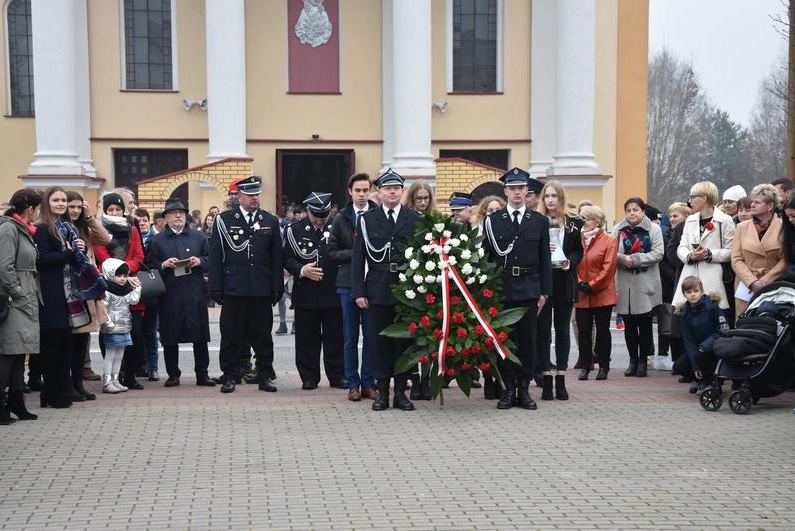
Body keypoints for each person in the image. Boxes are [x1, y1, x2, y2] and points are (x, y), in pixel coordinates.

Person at [482, 167, 552, 410]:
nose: (517, 192)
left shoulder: (539, 221)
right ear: (505, 191)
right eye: (512, 188)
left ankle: (524, 388)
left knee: (528, 340)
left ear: (527, 190)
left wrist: (545, 292)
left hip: (529, 287)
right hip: (502, 288)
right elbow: (487, 258)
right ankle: (508, 388)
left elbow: (544, 259)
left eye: (521, 188)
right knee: (504, 340)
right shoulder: (493, 221)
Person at [352, 169, 422, 411]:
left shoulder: (414, 218)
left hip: (406, 290)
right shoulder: (367, 219)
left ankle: (401, 392)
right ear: (379, 192)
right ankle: (382, 391)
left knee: (404, 342)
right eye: (387, 188)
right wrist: (359, 291)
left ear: (402, 191)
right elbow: (358, 258)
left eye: (396, 188)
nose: (392, 192)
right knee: (378, 342)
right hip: (377, 287)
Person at [209, 176, 282, 394]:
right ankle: (230, 375)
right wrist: (216, 287)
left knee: (263, 336)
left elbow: (276, 258)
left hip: (261, 288)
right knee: (231, 335)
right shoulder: (224, 220)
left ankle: (264, 375)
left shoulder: (269, 220)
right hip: (234, 288)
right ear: (239, 196)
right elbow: (216, 256)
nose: (255, 198)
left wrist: (277, 287)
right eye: (250, 195)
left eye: (257, 194)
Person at [146, 198, 215, 387]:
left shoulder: (199, 237)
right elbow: (148, 267)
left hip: (195, 291)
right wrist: (163, 264)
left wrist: (200, 261)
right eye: (174, 213)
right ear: (166, 217)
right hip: (170, 292)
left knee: (200, 334)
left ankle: (202, 374)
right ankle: (173, 374)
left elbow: (211, 259)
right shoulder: (156, 241)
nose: (178, 216)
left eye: (181, 213)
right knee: (170, 334)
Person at [282, 192, 344, 390]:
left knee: (335, 337)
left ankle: (337, 376)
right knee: (306, 337)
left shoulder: (339, 225)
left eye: (324, 216)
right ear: (308, 211)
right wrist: (302, 270)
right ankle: (308, 377)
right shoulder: (294, 230)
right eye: (316, 216)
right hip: (306, 292)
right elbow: (285, 257)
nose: (319, 221)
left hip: (333, 291)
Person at [327, 173, 379, 402]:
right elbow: (331, 252)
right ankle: (352, 384)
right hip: (347, 283)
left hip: (373, 283)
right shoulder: (341, 218)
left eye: (365, 190)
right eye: (357, 190)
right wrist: (357, 253)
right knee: (350, 337)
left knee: (371, 337)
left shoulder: (377, 214)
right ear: (350, 191)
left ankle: (368, 382)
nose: (362, 194)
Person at [94, 192, 146, 391]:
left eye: (118, 209)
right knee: (108, 334)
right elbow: (102, 256)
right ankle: (112, 377)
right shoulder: (99, 229)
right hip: (109, 287)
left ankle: (130, 375)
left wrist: (125, 273)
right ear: (105, 210)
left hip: (130, 283)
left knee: (135, 334)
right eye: (111, 209)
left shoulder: (132, 229)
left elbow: (139, 256)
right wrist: (119, 273)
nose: (115, 212)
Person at [536, 180, 583, 400]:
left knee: (563, 330)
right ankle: (546, 378)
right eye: (547, 196)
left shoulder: (574, 223)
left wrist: (569, 262)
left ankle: (561, 378)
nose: (550, 200)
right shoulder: (536, 220)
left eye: (554, 196)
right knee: (543, 331)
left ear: (561, 198)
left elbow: (578, 251)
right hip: (543, 282)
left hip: (564, 280)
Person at [0, 189, 42, 422]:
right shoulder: (8, 228)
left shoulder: (24, 229)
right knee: (8, 352)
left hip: (25, 296)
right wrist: (17, 293)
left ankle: (17, 402)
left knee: (18, 352)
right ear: (30, 208)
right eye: (37, 208)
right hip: (14, 299)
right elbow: (4, 266)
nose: (38, 213)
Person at [66, 191, 111, 399]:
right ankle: (68, 384)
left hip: (86, 287)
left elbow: (105, 238)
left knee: (83, 338)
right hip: (69, 289)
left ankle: (78, 383)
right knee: (69, 341)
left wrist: (89, 216)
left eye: (78, 207)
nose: (75, 210)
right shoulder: (59, 228)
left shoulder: (83, 227)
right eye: (71, 206)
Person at [612, 197, 664, 378]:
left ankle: (643, 361)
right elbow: (611, 251)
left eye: (635, 210)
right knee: (629, 325)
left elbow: (658, 253)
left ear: (642, 211)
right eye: (628, 210)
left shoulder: (653, 229)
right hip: (624, 283)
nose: (632, 213)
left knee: (645, 323)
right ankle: (632, 360)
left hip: (645, 282)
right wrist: (622, 259)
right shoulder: (618, 229)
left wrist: (634, 259)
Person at [672, 181, 735, 330]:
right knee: (687, 321)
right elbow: (681, 246)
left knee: (712, 318)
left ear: (704, 198)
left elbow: (731, 250)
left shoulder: (725, 220)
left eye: (693, 197)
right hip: (690, 273)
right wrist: (690, 255)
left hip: (713, 276)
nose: (690, 201)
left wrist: (709, 254)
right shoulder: (690, 219)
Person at [573, 205, 618, 380]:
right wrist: (579, 282)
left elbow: (609, 267)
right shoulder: (576, 239)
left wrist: (592, 285)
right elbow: (572, 261)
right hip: (581, 292)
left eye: (587, 219)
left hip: (602, 292)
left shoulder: (609, 240)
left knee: (603, 331)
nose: (583, 222)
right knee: (583, 331)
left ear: (598, 221)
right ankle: (585, 365)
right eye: (581, 219)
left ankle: (604, 366)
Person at [731, 184, 785, 318]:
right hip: (745, 284)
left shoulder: (783, 227)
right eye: (752, 201)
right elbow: (736, 258)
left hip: (773, 283)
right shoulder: (741, 227)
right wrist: (752, 282)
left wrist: (765, 280)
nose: (752, 205)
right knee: (744, 321)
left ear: (770, 206)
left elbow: (785, 259)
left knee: (769, 321)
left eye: (757, 202)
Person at [671, 276, 729, 392]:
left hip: (715, 348)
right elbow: (689, 341)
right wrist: (695, 367)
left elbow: (723, 330)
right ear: (684, 294)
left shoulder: (712, 307)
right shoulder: (684, 313)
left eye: (696, 291)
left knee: (700, 355)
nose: (693, 294)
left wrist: (705, 346)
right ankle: (700, 379)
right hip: (698, 350)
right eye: (688, 292)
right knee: (678, 366)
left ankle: (712, 382)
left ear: (702, 291)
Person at [99, 259, 142, 393]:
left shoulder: (126, 289)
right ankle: (107, 382)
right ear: (110, 274)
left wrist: (138, 287)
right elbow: (103, 309)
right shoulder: (107, 291)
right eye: (119, 276)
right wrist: (108, 324)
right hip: (112, 327)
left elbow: (133, 300)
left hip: (124, 327)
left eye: (125, 275)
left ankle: (115, 380)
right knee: (110, 355)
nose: (123, 279)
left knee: (119, 355)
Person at [135, 207, 160, 381]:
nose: (142, 223)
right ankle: (138, 366)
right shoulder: (129, 237)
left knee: (151, 331)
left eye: (145, 220)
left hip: (150, 288)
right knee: (135, 332)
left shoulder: (156, 240)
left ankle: (153, 367)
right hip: (133, 290)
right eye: (139, 220)